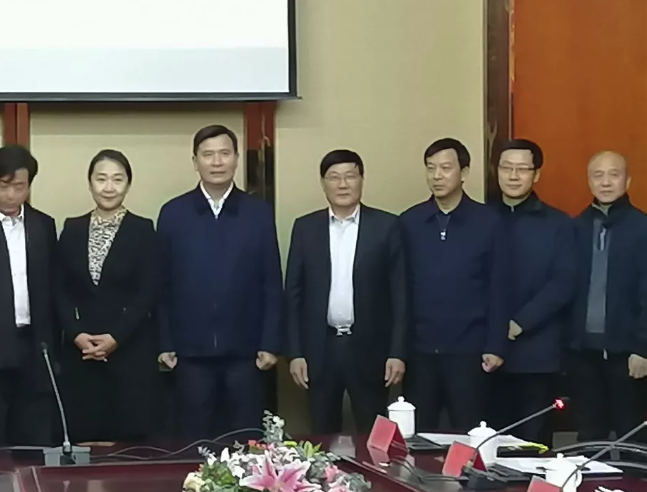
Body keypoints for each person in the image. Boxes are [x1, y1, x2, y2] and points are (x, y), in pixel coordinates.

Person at [157, 125, 283, 441]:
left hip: (246, 353)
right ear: (195, 161)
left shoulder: (258, 213)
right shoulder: (173, 213)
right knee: (193, 444)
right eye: (208, 154)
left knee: (245, 443)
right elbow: (162, 285)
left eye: (224, 153)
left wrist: (270, 342)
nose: (216, 162)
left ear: (236, 158)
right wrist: (165, 342)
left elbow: (271, 281)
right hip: (189, 353)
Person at [285, 150, 407, 434]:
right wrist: (295, 353)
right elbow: (293, 294)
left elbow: (400, 295)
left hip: (370, 350)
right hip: (319, 350)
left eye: (350, 176)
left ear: (362, 180)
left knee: (373, 435)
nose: (342, 184)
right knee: (321, 435)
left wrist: (397, 352)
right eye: (334, 177)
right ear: (323, 183)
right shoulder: (305, 228)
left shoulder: (386, 226)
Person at [400, 138, 509, 432]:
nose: (437, 175)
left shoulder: (489, 222)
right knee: (417, 436)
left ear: (464, 172)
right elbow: (400, 291)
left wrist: (495, 344)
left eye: (446, 168)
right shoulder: (410, 222)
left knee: (468, 434)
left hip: (470, 352)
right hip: (420, 353)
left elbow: (499, 287)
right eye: (431, 168)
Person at [55, 150, 158, 443]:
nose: (109, 187)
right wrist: (76, 334)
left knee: (126, 446)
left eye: (117, 179)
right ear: (90, 183)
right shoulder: (72, 228)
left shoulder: (143, 230)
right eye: (101, 179)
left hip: (128, 349)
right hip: (80, 351)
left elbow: (147, 292)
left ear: (128, 184)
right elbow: (59, 289)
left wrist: (116, 337)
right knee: (83, 440)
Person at [0, 145, 58, 445]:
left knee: (35, 437)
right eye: (3, 186)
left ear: (29, 185)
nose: (10, 194)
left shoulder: (44, 225)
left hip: (34, 345)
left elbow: (53, 288)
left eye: (19, 187)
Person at [491, 139, 576, 444]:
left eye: (522, 169)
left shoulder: (559, 224)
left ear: (536, 174)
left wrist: (521, 322)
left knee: (533, 446)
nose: (513, 176)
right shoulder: (481, 218)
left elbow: (564, 282)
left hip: (537, 355)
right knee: (490, 445)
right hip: (486, 354)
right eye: (506, 168)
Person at [569, 151, 647, 441]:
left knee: (632, 438)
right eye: (598, 175)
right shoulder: (575, 227)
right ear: (589, 181)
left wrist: (642, 348)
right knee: (589, 437)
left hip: (628, 354)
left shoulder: (642, 227)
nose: (605, 182)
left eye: (614, 175)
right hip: (582, 354)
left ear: (627, 181)